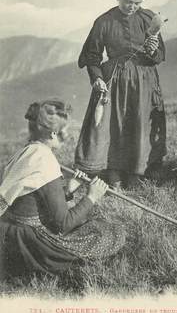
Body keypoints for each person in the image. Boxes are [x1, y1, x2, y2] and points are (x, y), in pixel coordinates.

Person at [0, 99, 125, 282]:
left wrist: (69, 189)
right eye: (65, 130)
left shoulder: (27, 151)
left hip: (10, 233)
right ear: (53, 133)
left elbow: (36, 199)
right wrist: (92, 196)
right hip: (33, 244)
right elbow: (63, 224)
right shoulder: (45, 162)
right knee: (112, 232)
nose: (68, 135)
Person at [74, 0, 167, 189]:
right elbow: (92, 55)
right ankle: (113, 173)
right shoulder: (104, 21)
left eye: (137, 3)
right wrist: (96, 78)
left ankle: (137, 172)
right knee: (113, 126)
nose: (132, 7)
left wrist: (153, 51)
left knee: (140, 124)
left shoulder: (149, 18)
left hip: (143, 81)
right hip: (113, 81)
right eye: (128, 2)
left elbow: (160, 56)